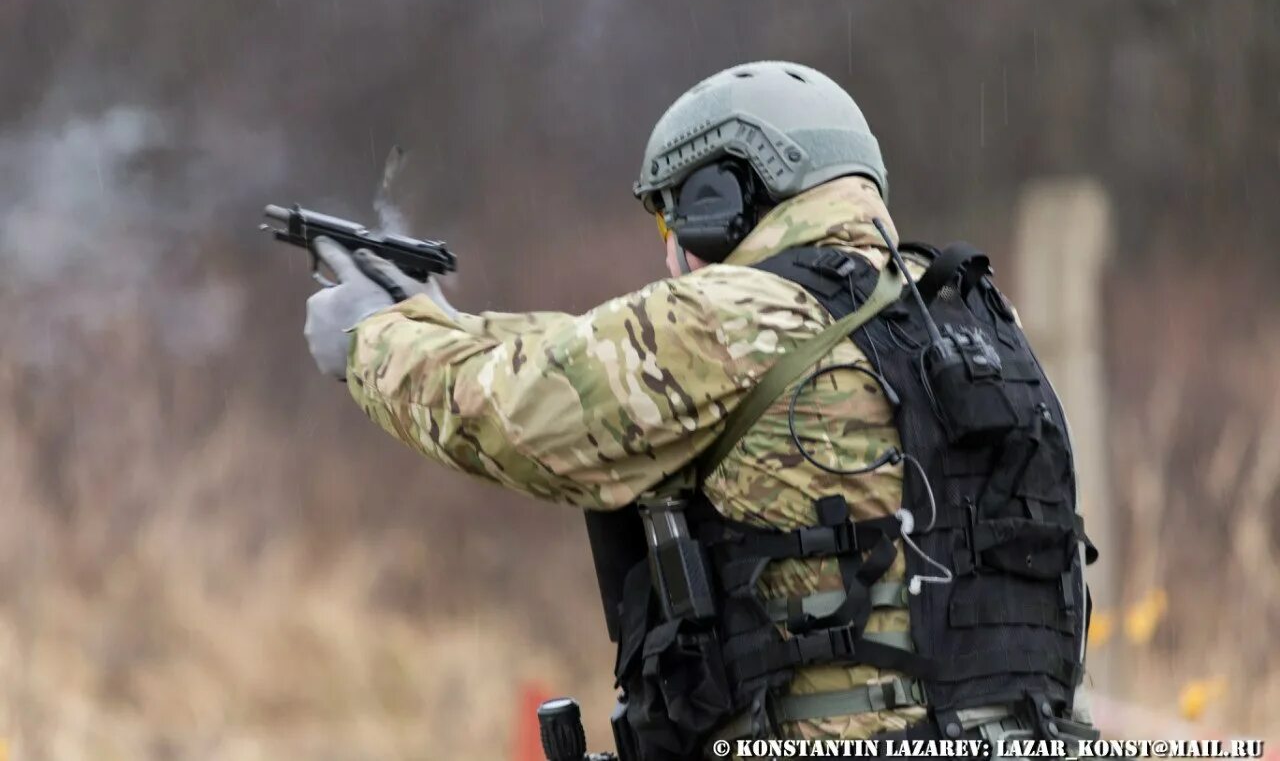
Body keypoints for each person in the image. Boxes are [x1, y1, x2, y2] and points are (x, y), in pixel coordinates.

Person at [303, 61, 1099, 759]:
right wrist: (445, 322)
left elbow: (520, 408)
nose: (669, 244)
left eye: (671, 214)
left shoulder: (743, 313)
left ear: (723, 197)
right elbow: (589, 361)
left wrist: (372, 341)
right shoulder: (973, 322)